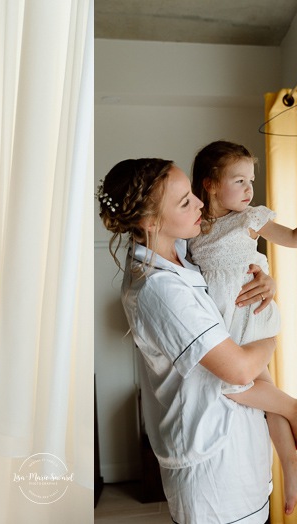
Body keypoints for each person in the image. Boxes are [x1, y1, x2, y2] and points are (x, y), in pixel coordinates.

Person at [98, 158, 277, 524]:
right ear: (151, 223)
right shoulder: (159, 289)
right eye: (184, 202)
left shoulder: (183, 257)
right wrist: (272, 326)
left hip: (236, 447)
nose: (199, 203)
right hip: (213, 470)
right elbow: (239, 368)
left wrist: (266, 287)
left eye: (192, 195)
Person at [187, 140, 297, 514]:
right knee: (262, 389)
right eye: (239, 180)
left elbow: (295, 238)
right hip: (222, 317)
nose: (249, 189)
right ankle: (291, 461)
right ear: (210, 184)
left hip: (247, 314)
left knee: (231, 383)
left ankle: (296, 409)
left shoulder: (249, 220)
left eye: (251, 180)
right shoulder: (194, 227)